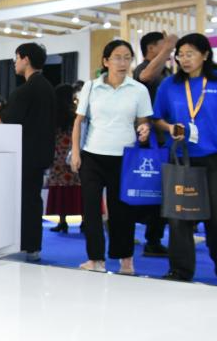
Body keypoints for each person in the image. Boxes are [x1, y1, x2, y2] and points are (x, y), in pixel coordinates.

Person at [152, 33, 217, 282]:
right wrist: (169, 128)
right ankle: (181, 270)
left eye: (190, 54)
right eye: (180, 55)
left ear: (205, 55)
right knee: (179, 216)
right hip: (181, 159)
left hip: (214, 159)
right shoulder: (169, 85)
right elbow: (157, 118)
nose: (184, 59)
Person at [69, 41, 152, 274]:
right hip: (92, 156)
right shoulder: (91, 86)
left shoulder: (138, 90)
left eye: (127, 57)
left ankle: (125, 259)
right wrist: (76, 152)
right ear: (106, 61)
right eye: (117, 57)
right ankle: (96, 259)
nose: (122, 62)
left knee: (122, 211)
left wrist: (144, 129)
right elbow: (79, 121)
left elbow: (143, 121)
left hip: (124, 158)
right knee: (91, 210)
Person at [0, 43, 56, 261]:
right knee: (33, 200)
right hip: (42, 152)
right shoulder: (48, 87)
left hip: (25, 154)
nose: (15, 63)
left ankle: (23, 243)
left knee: (25, 200)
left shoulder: (25, 90)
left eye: (17, 58)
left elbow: (4, 120)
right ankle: (33, 246)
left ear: (25, 59)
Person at [133, 31, 177, 257]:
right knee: (150, 191)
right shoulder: (144, 68)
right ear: (151, 48)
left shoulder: (166, 70)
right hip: (149, 141)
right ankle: (151, 240)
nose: (169, 48)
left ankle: (154, 238)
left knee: (161, 193)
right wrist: (168, 47)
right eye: (163, 45)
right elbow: (146, 76)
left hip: (166, 139)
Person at [46, 83, 82, 233]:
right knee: (79, 187)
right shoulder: (76, 113)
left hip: (58, 156)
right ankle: (85, 221)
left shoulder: (53, 114)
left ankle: (62, 221)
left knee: (60, 189)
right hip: (74, 154)